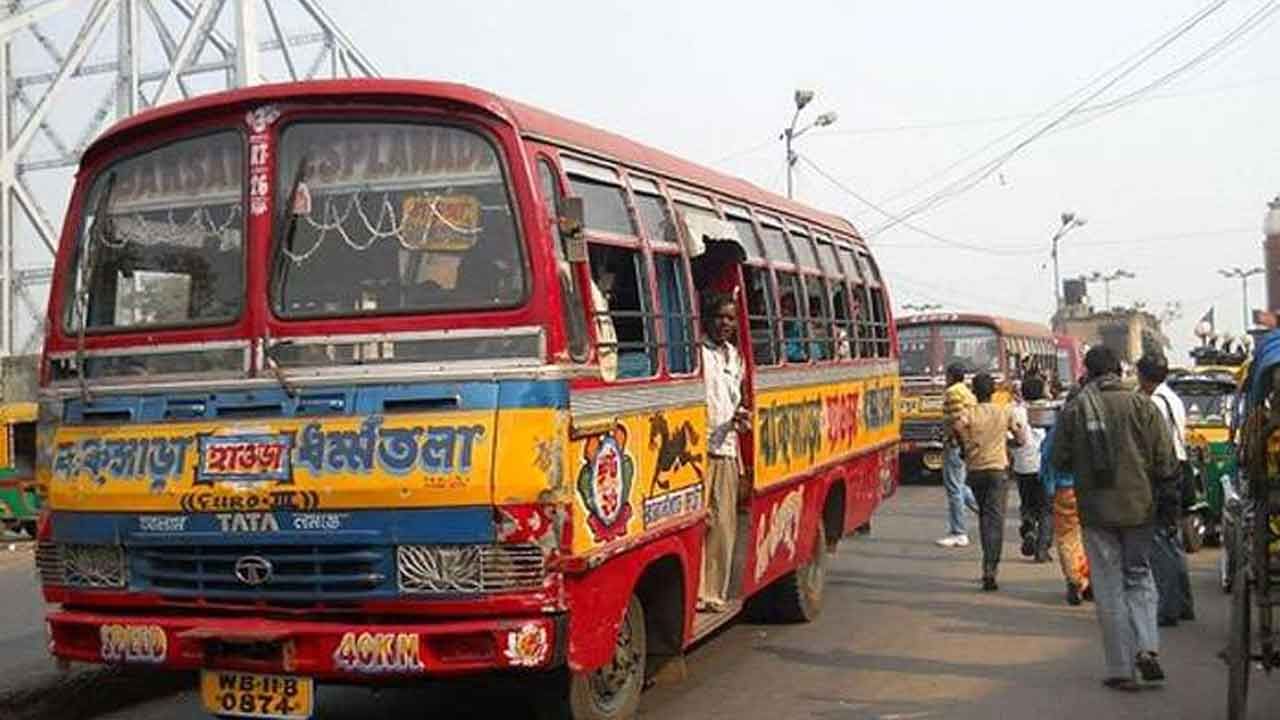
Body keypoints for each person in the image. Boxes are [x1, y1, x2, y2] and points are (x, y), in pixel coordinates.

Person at [1052, 346, 1177, 690]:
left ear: (1089, 374)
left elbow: (1059, 460)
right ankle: (1148, 647)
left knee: (1108, 586)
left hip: (1096, 513)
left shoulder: (1076, 409)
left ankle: (1122, 667)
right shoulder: (1142, 406)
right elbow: (1166, 461)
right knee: (1139, 576)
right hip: (1140, 509)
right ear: (1120, 372)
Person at [1136, 352, 1196, 627]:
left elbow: (1154, 446)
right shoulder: (1171, 397)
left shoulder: (1155, 403)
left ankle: (1168, 607)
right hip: (1178, 468)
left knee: (1160, 541)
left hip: (1165, 473)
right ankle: (1183, 602)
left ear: (1144, 376)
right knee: (1172, 541)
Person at [698, 294, 750, 613]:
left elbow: (735, 399)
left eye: (731, 319)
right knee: (700, 522)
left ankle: (713, 593)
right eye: (720, 317)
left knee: (723, 526)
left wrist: (740, 417)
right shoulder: (697, 355)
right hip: (698, 449)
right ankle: (697, 590)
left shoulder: (735, 358)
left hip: (727, 448)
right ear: (708, 319)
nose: (725, 324)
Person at [954, 372, 1028, 590]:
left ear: (974, 392)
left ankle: (987, 562)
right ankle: (990, 567)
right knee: (995, 520)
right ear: (993, 391)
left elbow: (957, 426)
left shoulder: (969, 412)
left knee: (985, 515)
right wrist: (1011, 444)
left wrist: (965, 446)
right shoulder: (1003, 411)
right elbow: (1021, 437)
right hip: (998, 469)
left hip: (976, 469)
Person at [1041, 416, 1092, 605]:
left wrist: (1049, 487)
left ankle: (1074, 579)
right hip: (1095, 490)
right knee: (1093, 537)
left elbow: (1046, 457)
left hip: (1066, 489)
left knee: (1067, 537)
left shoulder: (1060, 428)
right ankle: (1089, 580)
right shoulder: (1098, 424)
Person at [937, 364, 979, 548]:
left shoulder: (953, 393)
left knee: (954, 488)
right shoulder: (968, 393)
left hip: (954, 445)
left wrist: (955, 442)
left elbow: (956, 422)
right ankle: (985, 510)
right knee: (960, 486)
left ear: (951, 376)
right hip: (964, 444)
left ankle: (958, 532)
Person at [1013, 375, 1052, 562]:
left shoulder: (1017, 411)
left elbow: (1014, 437)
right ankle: (1042, 549)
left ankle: (1029, 528)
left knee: (1027, 504)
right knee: (1046, 508)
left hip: (1023, 465)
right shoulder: (1051, 410)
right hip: (1045, 466)